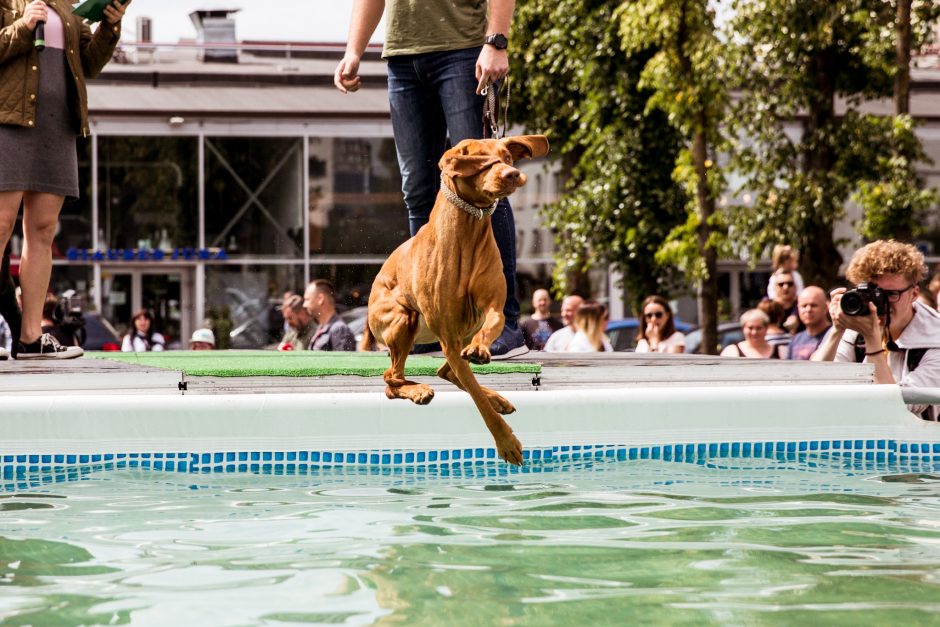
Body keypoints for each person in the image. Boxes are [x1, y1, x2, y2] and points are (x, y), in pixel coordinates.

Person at [334, 0, 527, 358]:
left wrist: (496, 41)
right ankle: (430, 323)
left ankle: (505, 325)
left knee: (487, 187)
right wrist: (354, 50)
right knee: (419, 192)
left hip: (463, 53)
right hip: (402, 59)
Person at [0, 0, 128, 358]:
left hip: (57, 126)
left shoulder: (68, 7)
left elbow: (89, 63)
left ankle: (29, 338)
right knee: (0, 224)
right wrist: (24, 27)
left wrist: (110, 26)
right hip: (7, 121)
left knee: (41, 231)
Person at [812, 240, 940, 421]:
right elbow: (814, 381)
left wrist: (872, 341)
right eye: (872, 294)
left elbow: (899, 408)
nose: (880, 304)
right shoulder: (856, 326)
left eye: (890, 295)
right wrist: (836, 330)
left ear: (914, 294)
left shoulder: (935, 338)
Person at [303, 279, 356, 351]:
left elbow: (343, 362)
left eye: (307, 299)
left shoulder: (339, 329)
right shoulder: (322, 327)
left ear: (320, 299)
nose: (304, 305)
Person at [720, 309, 786, 359]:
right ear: (743, 329)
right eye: (750, 328)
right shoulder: (731, 352)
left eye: (759, 328)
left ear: (766, 329)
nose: (754, 332)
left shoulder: (781, 352)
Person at [787, 286, 831, 360]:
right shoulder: (795, 339)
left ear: (826, 307)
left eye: (813, 305)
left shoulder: (835, 334)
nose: (808, 310)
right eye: (804, 306)